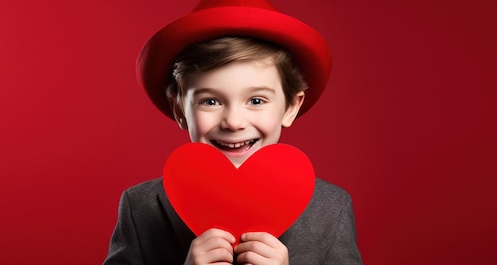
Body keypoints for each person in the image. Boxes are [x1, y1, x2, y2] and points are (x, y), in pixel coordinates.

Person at [104, 0, 362, 264]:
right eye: (210, 101)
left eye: (257, 100)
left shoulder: (331, 208)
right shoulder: (142, 207)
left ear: (291, 108)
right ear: (180, 109)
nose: (234, 122)